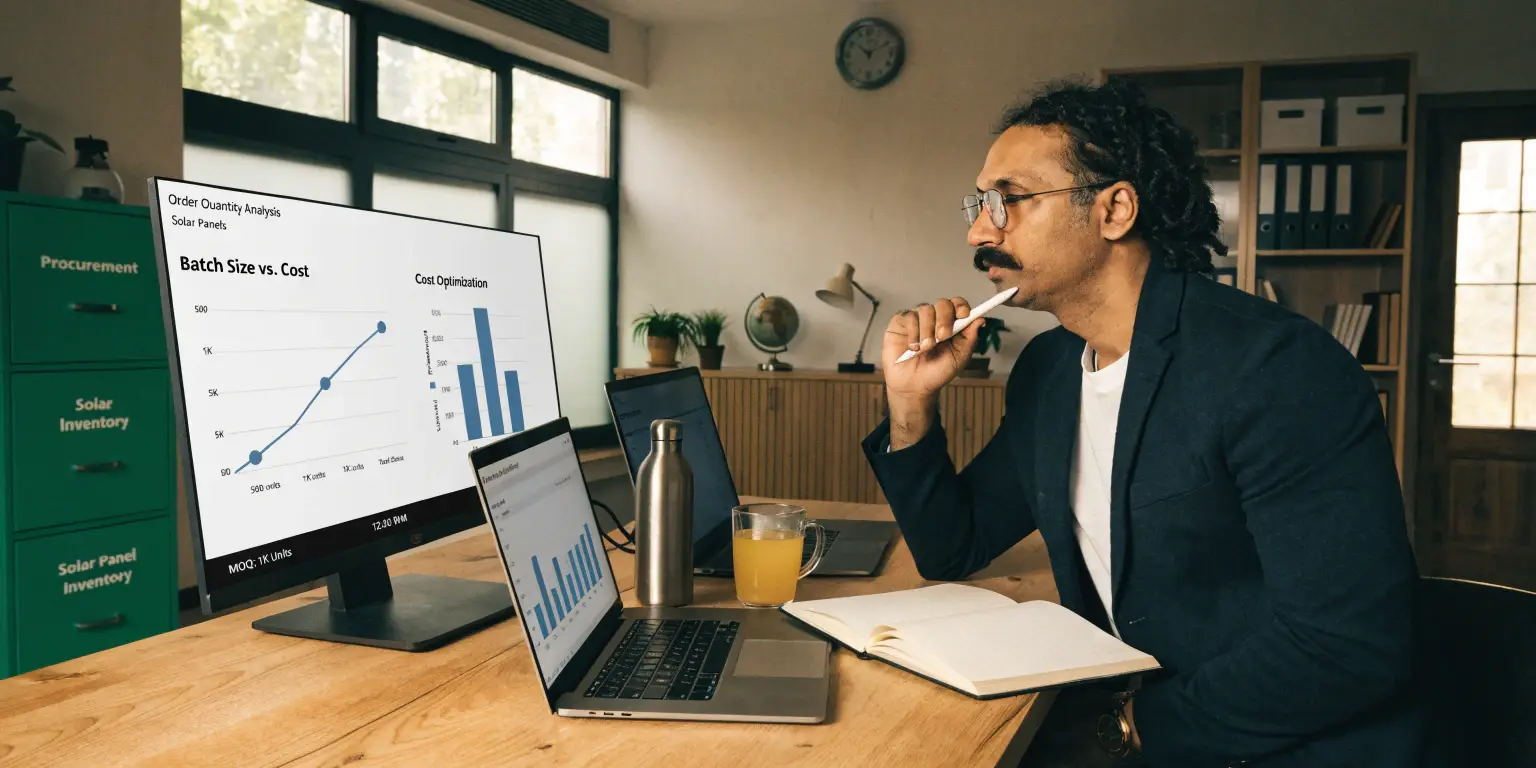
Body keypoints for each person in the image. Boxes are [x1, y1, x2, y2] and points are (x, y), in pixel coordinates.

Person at [862, 78, 1437, 767]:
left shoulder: (1275, 368)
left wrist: (1127, 729)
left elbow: (1348, 647)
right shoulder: (1049, 372)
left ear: (1114, 209)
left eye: (1007, 201)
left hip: (1285, 745)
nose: (979, 231)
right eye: (978, 205)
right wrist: (910, 402)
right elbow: (953, 547)